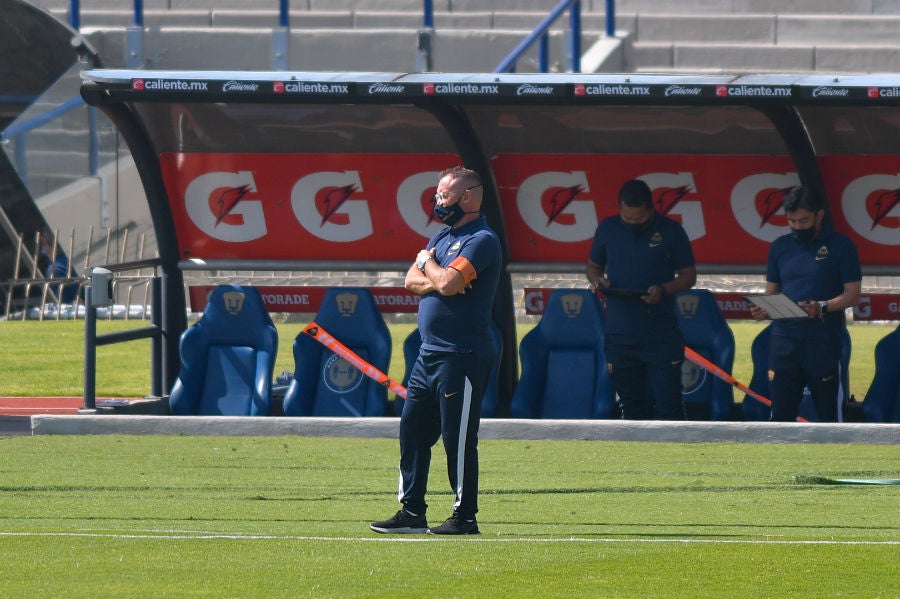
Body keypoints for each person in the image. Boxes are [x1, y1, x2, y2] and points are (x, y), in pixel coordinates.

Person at [370, 166, 501, 536]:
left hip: (462, 354)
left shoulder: (482, 239)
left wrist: (428, 262)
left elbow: (445, 282)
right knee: (412, 429)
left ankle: (464, 517)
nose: (438, 202)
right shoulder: (443, 235)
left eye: (444, 195)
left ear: (468, 197)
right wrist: (435, 273)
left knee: (457, 437)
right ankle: (412, 512)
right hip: (429, 354)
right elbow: (411, 281)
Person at [586, 179, 697, 420]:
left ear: (651, 209)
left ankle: (676, 455)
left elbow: (688, 276)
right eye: (628, 218)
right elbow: (593, 266)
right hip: (620, 334)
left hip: (660, 333)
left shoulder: (671, 231)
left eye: (639, 218)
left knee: (669, 404)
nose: (633, 223)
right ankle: (635, 456)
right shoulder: (607, 228)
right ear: (619, 209)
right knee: (630, 405)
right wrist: (598, 281)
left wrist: (663, 290)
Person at [749, 186, 861, 422]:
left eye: (803, 220)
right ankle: (782, 460)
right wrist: (763, 309)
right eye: (792, 221)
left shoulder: (841, 246)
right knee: (780, 415)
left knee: (828, 415)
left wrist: (822, 307)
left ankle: (834, 458)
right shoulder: (779, 247)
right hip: (783, 341)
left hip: (823, 341)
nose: (798, 226)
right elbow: (771, 292)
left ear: (819, 215)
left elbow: (852, 293)